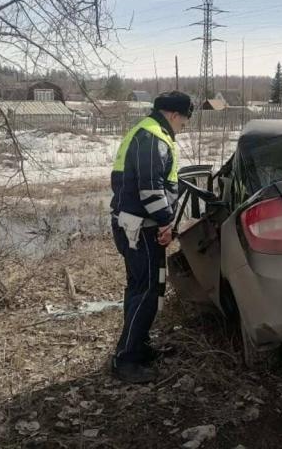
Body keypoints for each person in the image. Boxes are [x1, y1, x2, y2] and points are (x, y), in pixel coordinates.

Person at [109, 91, 193, 383]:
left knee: (140, 289)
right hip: (141, 228)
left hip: (136, 226)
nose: (184, 125)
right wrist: (166, 222)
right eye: (185, 120)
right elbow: (151, 189)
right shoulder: (153, 137)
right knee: (146, 291)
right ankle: (126, 359)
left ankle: (138, 347)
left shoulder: (148, 132)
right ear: (174, 115)